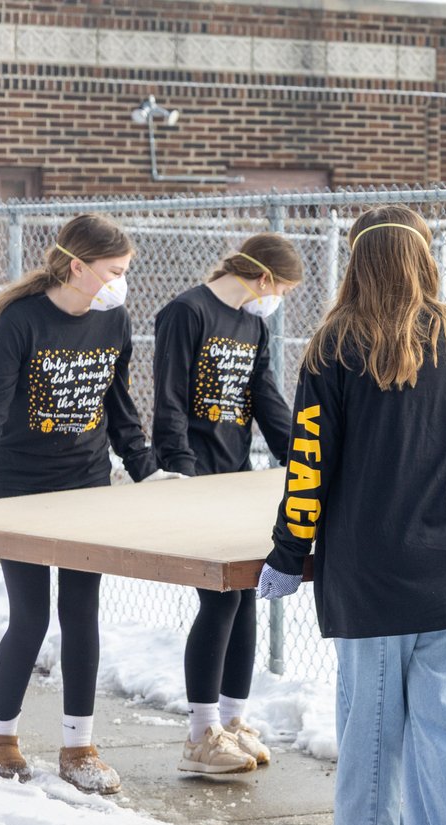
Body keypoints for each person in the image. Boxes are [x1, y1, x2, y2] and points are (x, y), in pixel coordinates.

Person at [255, 205, 446, 825]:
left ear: (357, 263)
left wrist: (288, 553)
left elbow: (309, 464)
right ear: (424, 260)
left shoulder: (333, 344)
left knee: (372, 723)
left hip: (370, 570)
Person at [0, 214, 176, 794]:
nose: (122, 282)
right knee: (32, 615)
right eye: (115, 271)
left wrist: (146, 471)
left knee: (82, 612)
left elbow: (119, 406)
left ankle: (78, 746)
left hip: (88, 485)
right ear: (77, 267)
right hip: (21, 489)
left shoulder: (113, 317)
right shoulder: (21, 322)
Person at [153, 233, 301, 779]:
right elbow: (167, 398)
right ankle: (200, 735)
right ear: (264, 278)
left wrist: (302, 457)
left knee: (246, 596)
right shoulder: (186, 312)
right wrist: (179, 472)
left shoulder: (253, 324)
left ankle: (233, 720)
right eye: (282, 287)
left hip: (235, 477)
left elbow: (264, 397)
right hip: (196, 479)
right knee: (217, 604)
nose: (280, 297)